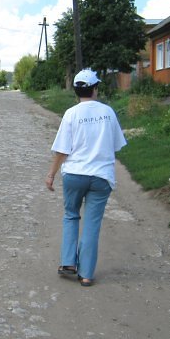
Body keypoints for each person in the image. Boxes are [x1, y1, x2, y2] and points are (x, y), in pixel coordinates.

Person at [45, 68, 127, 287]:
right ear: (95, 89)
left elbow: (62, 150)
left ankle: (68, 262)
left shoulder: (71, 114)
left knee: (71, 214)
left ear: (76, 91)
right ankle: (87, 274)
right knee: (92, 224)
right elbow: (117, 145)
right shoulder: (108, 112)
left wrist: (51, 174)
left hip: (74, 175)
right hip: (101, 177)